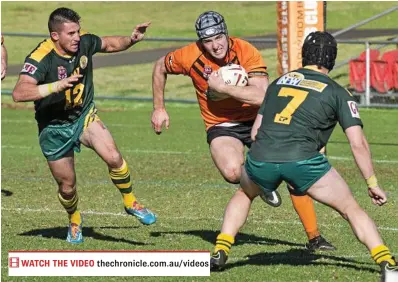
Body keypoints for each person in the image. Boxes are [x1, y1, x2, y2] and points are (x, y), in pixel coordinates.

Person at [209, 31, 398, 281]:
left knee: (244, 193)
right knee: (351, 208)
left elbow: (255, 132)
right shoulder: (338, 92)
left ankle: (221, 250)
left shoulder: (278, 83)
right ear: (331, 58)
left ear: (305, 55)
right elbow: (358, 143)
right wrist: (372, 183)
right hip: (303, 161)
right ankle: (387, 263)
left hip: (262, 156)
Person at [151, 10, 334, 251]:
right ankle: (264, 182)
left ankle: (315, 238)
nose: (215, 46)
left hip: (260, 118)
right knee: (231, 171)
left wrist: (225, 88)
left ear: (226, 33)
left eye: (218, 38)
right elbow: (159, 66)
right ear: (200, 41)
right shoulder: (189, 56)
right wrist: (159, 108)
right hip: (222, 123)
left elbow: (261, 96)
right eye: (208, 41)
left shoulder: (246, 51)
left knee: (294, 173)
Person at [12, 7, 156, 244]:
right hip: (53, 128)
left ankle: (131, 202)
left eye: (78, 31)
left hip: (83, 116)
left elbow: (109, 44)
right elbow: (19, 92)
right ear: (55, 36)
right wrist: (55, 86)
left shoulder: (84, 42)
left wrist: (131, 40)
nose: (77, 37)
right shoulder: (41, 57)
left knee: (114, 157)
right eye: (71, 33)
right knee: (67, 187)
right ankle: (75, 218)